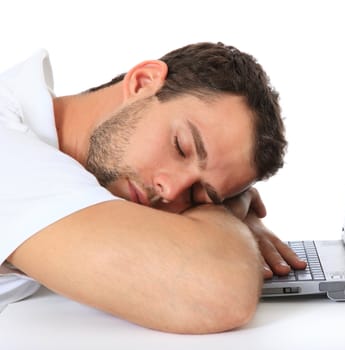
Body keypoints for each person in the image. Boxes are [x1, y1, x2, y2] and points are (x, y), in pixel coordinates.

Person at [0, 42, 306, 334]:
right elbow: (220, 291)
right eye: (182, 147)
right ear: (142, 82)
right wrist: (228, 211)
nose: (170, 191)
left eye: (196, 195)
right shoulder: (11, 150)